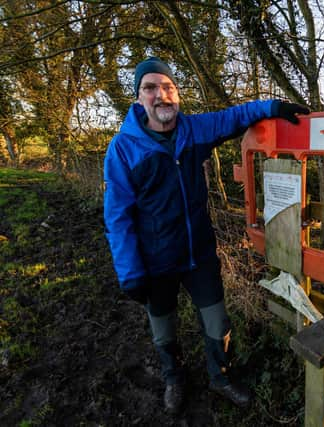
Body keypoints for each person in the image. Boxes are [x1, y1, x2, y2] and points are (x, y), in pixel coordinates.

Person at [103, 57, 309, 414]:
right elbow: (117, 216)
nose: (160, 96)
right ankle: (174, 377)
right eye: (150, 88)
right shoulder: (123, 148)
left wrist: (274, 106)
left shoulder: (193, 130)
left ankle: (221, 376)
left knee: (218, 322)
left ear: (177, 95)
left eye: (167, 87)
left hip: (199, 254)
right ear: (138, 99)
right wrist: (130, 273)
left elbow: (234, 117)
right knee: (164, 331)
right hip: (155, 263)